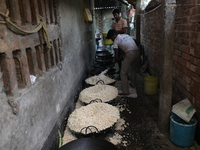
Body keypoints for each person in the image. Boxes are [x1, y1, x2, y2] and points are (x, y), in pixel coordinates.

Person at [106, 29, 140, 97]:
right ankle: (133, 84)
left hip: (130, 54)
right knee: (133, 69)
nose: (111, 39)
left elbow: (116, 55)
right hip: (137, 52)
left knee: (123, 73)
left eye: (111, 38)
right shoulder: (126, 35)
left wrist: (115, 61)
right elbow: (137, 42)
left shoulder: (116, 40)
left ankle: (126, 92)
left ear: (114, 35)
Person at [111, 9, 128, 74]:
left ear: (119, 14)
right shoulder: (114, 23)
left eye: (116, 14)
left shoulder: (124, 21)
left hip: (123, 41)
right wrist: (114, 34)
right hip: (117, 41)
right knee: (118, 55)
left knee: (123, 56)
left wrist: (116, 33)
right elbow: (113, 33)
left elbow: (124, 31)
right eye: (114, 15)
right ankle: (120, 69)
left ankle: (124, 71)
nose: (115, 16)